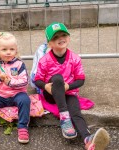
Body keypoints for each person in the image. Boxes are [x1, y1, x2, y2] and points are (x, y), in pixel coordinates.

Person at [34, 22, 110, 150]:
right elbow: (38, 80)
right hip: (51, 93)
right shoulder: (45, 60)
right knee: (58, 78)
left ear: (68, 38)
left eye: (63, 35)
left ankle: (88, 139)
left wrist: (68, 87)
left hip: (68, 92)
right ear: (49, 44)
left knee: (76, 112)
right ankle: (64, 118)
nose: (60, 38)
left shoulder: (75, 58)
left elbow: (81, 80)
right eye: (55, 37)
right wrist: (46, 86)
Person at [0, 32, 30, 144]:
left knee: (25, 100)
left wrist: (9, 82)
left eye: (12, 49)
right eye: (4, 49)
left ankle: (22, 126)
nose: (8, 52)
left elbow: (24, 81)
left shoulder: (19, 64)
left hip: (16, 94)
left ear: (16, 50)